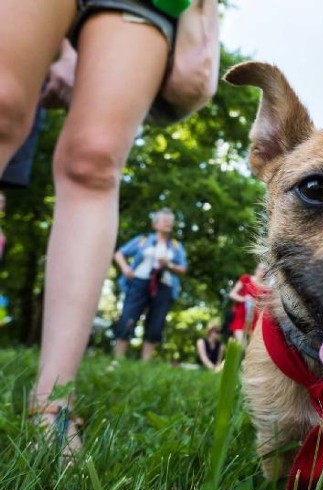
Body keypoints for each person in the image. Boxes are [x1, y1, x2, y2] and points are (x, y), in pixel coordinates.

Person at [4, 2, 186, 452]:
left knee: (96, 158)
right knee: (4, 105)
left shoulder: (173, 246)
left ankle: (54, 400)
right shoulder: (143, 241)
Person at [113, 208, 188, 361]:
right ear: (155, 224)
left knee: (156, 323)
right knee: (128, 317)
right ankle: (118, 359)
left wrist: (169, 265)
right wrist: (126, 268)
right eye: (165, 221)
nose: (168, 224)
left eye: (170, 222)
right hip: (139, 283)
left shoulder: (175, 246)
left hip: (164, 286)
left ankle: (145, 363)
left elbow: (183, 269)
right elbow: (119, 253)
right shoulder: (143, 240)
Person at [228, 263, 268, 344]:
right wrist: (244, 298)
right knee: (241, 346)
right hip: (240, 318)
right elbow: (232, 294)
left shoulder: (265, 289)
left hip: (254, 321)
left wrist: (257, 303)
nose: (262, 272)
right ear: (256, 269)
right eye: (260, 269)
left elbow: (263, 309)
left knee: (249, 348)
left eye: (265, 270)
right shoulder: (246, 279)